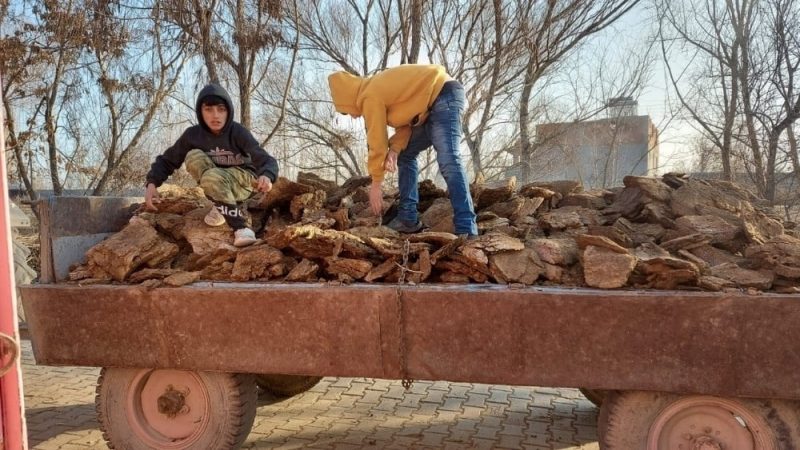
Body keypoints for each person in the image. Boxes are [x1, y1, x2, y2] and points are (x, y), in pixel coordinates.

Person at [327, 64, 478, 236]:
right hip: (428, 108)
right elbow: (407, 124)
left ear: (348, 98)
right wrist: (395, 150)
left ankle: (467, 228)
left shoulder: (369, 96)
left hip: (444, 94)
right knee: (405, 155)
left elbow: (377, 140)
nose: (353, 116)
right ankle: (408, 218)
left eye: (345, 112)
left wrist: (376, 184)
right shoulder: (375, 91)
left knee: (448, 158)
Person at [144, 83, 278, 247]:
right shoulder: (193, 135)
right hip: (215, 180)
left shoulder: (238, 132)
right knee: (193, 156)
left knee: (213, 177)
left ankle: (241, 227)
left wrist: (267, 175)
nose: (215, 116)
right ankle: (221, 203)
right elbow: (168, 159)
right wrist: (152, 183)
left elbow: (265, 159)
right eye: (208, 109)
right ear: (200, 112)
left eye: (221, 109)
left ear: (228, 111)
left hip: (243, 182)